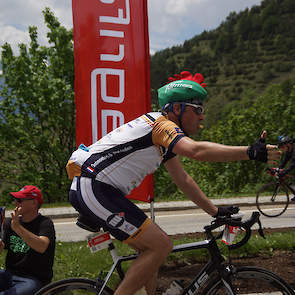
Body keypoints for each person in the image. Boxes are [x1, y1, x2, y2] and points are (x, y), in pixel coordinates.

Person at [66, 71, 280, 295]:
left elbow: (183, 179)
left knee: (151, 251)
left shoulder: (161, 136)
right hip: (95, 186)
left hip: (97, 188)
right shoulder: (162, 126)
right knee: (161, 245)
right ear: (177, 108)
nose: (202, 117)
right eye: (197, 109)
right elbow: (196, 151)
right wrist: (250, 152)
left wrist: (215, 211)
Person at [0, 185, 56, 295]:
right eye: (15, 200)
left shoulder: (45, 223)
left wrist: (18, 228)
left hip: (34, 279)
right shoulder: (9, 223)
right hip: (9, 274)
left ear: (34, 203)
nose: (15, 203)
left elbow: (42, 246)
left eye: (19, 200)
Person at [276, 135, 295, 201]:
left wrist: (284, 172)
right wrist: (277, 169)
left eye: (283, 146)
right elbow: (284, 162)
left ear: (288, 145)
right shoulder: (289, 151)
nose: (282, 148)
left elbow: (293, 164)